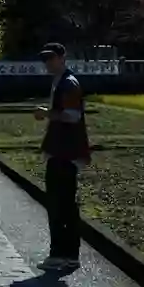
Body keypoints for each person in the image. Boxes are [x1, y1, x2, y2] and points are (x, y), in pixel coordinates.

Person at [34, 42, 89, 271]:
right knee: (64, 204)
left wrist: (47, 114)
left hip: (64, 152)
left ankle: (61, 253)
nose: (48, 63)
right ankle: (67, 254)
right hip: (62, 150)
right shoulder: (62, 82)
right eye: (45, 59)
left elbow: (72, 115)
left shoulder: (68, 83)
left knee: (60, 204)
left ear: (62, 58)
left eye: (52, 58)